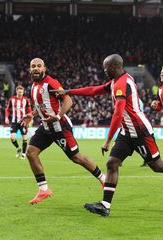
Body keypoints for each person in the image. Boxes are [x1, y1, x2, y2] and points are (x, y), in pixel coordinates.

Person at [53, 54, 163, 217]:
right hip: (126, 132)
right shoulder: (116, 81)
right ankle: (105, 205)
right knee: (112, 163)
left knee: (157, 165)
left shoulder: (122, 83)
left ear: (115, 67)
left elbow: (118, 114)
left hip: (140, 132)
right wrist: (69, 91)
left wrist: (108, 140)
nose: (104, 70)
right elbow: (94, 90)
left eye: (106, 67)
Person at [20, 58, 106, 205]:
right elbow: (40, 107)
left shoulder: (51, 82)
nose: (35, 68)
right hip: (46, 127)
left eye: (39, 66)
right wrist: (31, 115)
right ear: (29, 70)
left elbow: (68, 101)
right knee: (31, 152)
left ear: (44, 69)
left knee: (76, 158)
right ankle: (43, 189)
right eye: (33, 66)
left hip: (60, 127)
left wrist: (58, 116)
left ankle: (104, 179)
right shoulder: (33, 86)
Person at [5, 85, 32, 159]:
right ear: (16, 91)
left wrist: (29, 120)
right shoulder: (12, 99)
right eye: (19, 92)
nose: (20, 93)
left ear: (23, 92)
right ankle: (18, 148)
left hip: (23, 122)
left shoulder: (26, 100)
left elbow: (29, 111)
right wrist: (6, 117)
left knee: (24, 138)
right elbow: (7, 109)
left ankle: (23, 154)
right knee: (12, 138)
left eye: (22, 92)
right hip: (14, 122)